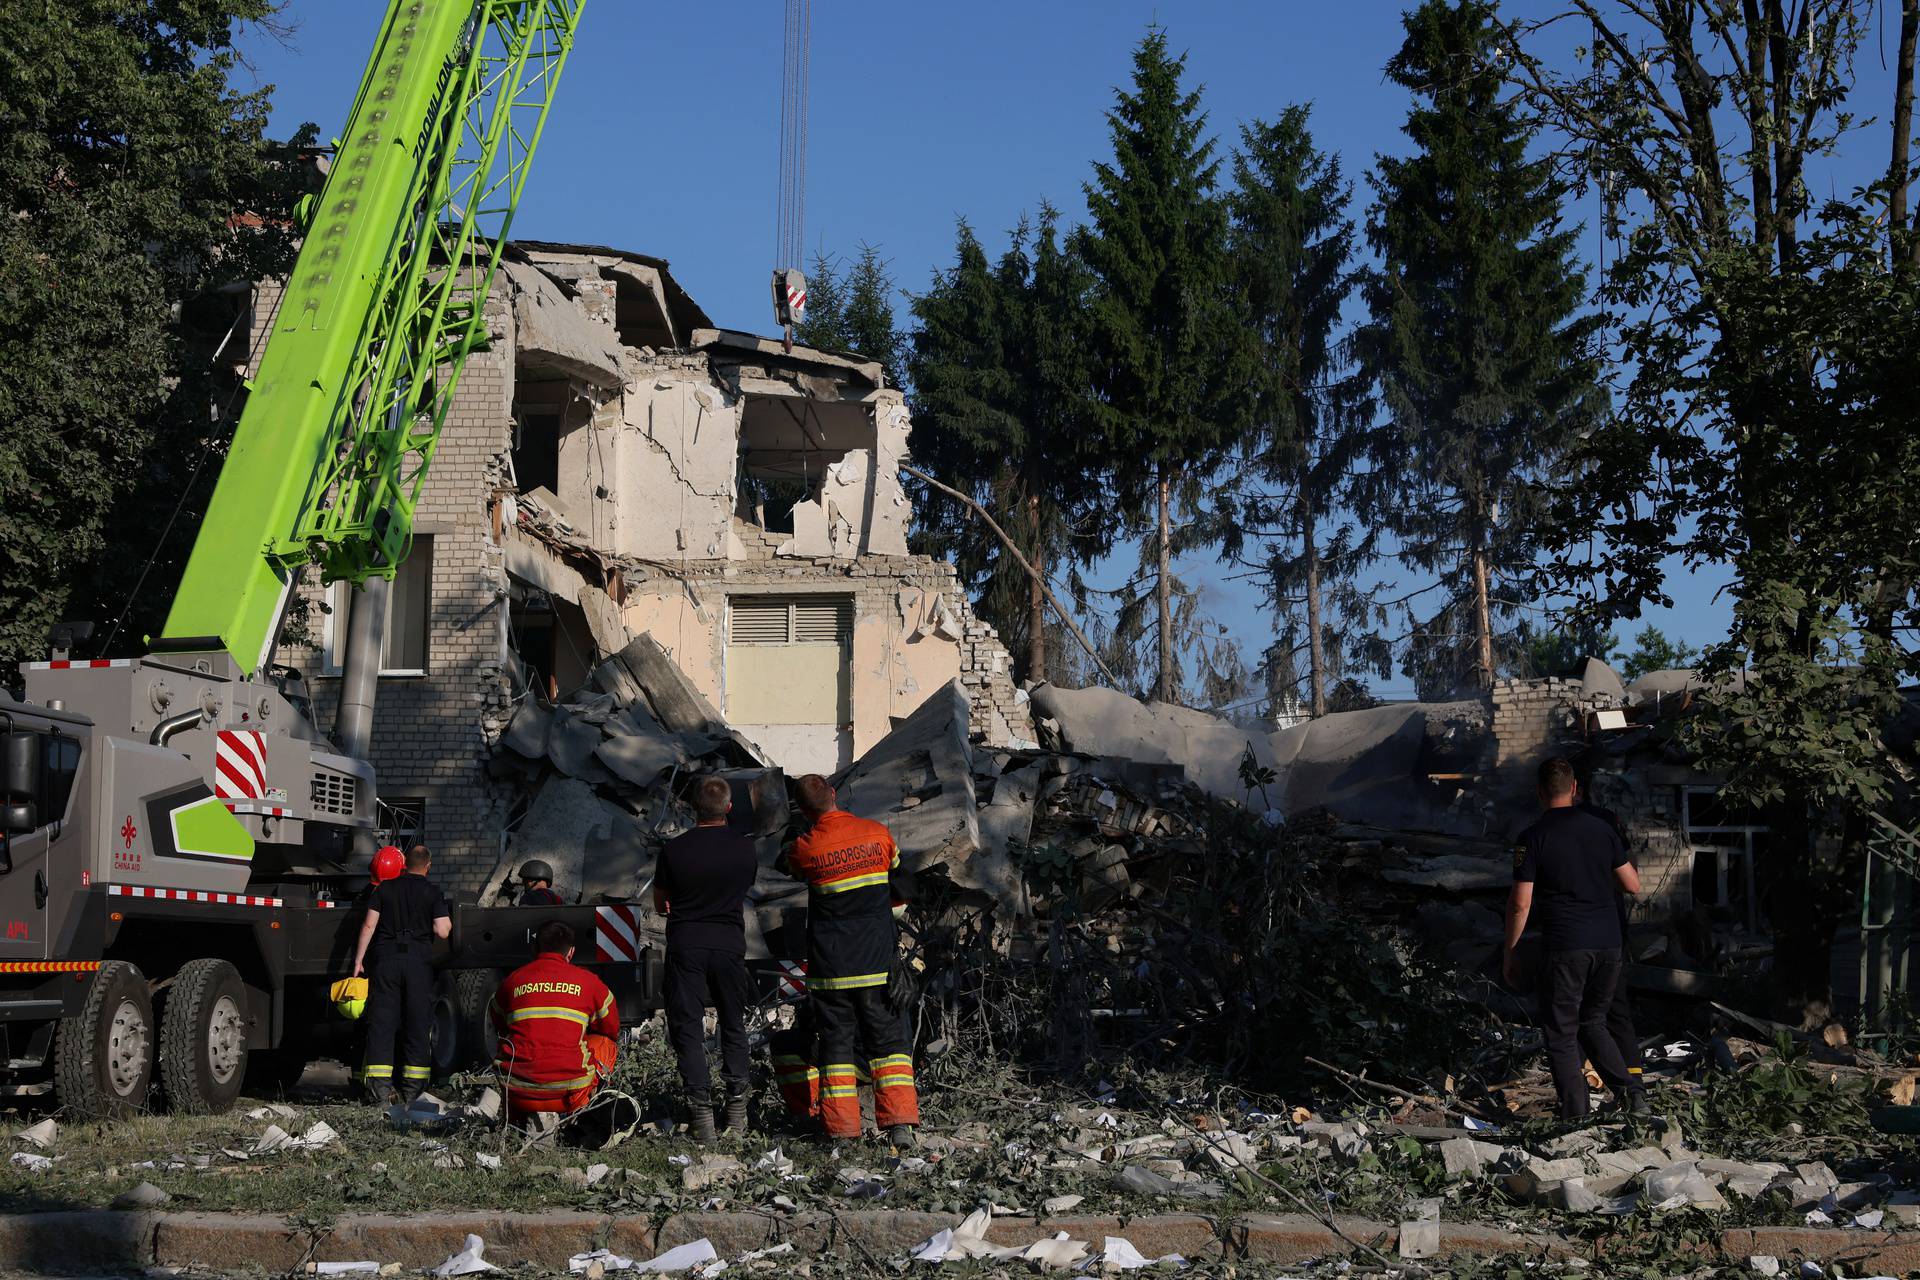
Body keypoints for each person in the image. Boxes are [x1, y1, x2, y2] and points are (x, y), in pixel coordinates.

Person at [778, 774, 918, 1145]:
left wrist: (792, 829)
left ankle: (842, 1132)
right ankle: (900, 1126)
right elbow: (899, 881)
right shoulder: (877, 834)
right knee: (888, 1044)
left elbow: (786, 863)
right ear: (834, 794)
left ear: (805, 811)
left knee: (836, 1048)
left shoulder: (807, 846)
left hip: (832, 970)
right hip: (877, 964)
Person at [1504, 758, 1642, 1120]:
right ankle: (1634, 1097)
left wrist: (1511, 952)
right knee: (1594, 1022)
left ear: (1539, 792)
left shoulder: (1532, 838)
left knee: (1561, 1034)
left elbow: (1521, 904)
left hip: (1567, 947)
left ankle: (1575, 1118)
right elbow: (1633, 884)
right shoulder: (1602, 829)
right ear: (1575, 788)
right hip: (1609, 946)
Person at [655, 776, 758, 1142]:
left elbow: (660, 903)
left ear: (693, 808)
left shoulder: (673, 851)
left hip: (687, 945)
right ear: (728, 808)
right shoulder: (745, 850)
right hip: (729, 945)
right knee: (733, 1024)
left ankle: (702, 1118)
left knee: (688, 1028)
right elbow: (743, 888)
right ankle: (736, 1113)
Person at [490, 920, 620, 1123]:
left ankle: (513, 1122)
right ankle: (584, 1117)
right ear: (571, 952)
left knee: (509, 1040)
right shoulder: (589, 981)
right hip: (569, 1096)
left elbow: (499, 1023)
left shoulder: (512, 981)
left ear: (535, 948)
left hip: (518, 1093)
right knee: (606, 1043)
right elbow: (611, 1029)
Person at [351, 843, 451, 1104]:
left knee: (382, 1023)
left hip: (386, 960)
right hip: (418, 963)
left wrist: (359, 960)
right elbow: (442, 931)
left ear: (404, 864)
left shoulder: (384, 888)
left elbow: (369, 924)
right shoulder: (432, 892)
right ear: (428, 866)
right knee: (417, 1024)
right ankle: (413, 1092)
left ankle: (379, 1092)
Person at [1576, 778, 1650, 1112]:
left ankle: (1579, 1092)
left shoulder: (1546, 828)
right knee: (1614, 1010)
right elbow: (1631, 878)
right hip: (1611, 934)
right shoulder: (1608, 823)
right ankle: (1634, 1088)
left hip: (1573, 938)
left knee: (1572, 1016)